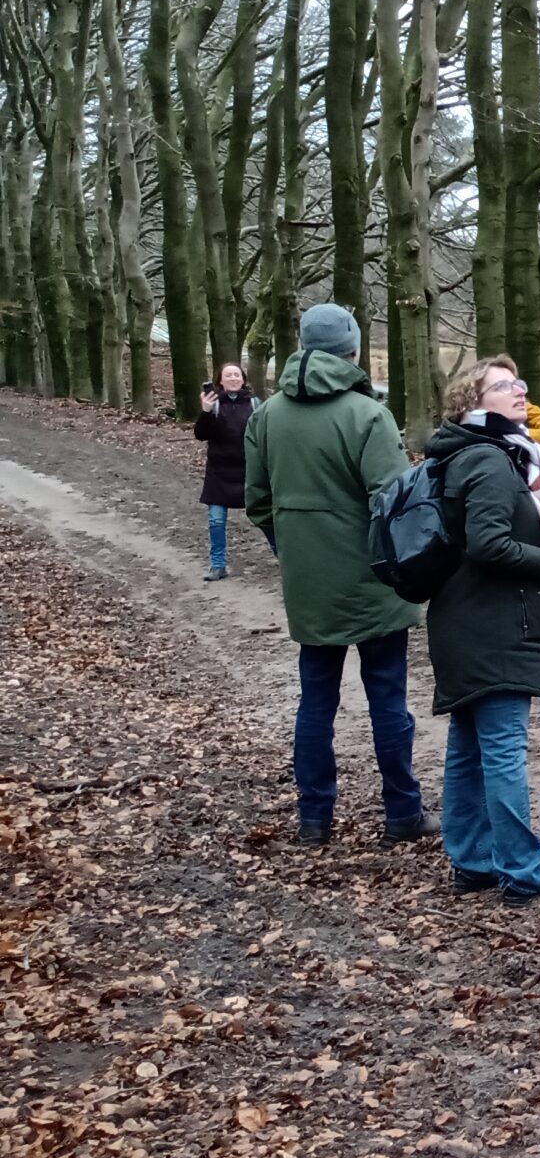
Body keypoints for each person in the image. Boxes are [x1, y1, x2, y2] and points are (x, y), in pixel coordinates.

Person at [242, 303, 425, 848]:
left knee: (315, 702)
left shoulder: (267, 414)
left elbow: (257, 502)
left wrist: (293, 552)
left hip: (309, 583)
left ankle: (314, 820)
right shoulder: (368, 415)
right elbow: (393, 504)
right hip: (374, 585)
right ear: (353, 351)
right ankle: (401, 815)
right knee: (388, 699)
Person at [422, 359, 540, 904]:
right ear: (473, 400)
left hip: (463, 620)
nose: (519, 391)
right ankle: (520, 870)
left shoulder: (469, 454)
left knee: (468, 750)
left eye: (520, 382)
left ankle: (471, 860)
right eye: (503, 386)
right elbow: (489, 545)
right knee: (501, 752)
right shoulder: (491, 463)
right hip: (493, 626)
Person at [194, 363, 256, 582]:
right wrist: (205, 412)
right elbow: (201, 435)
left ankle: (284, 559)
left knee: (267, 519)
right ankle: (218, 565)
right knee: (216, 522)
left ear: (243, 379)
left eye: (236, 375)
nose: (232, 378)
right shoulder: (214, 404)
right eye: (228, 375)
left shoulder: (256, 404)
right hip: (219, 473)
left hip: (250, 472)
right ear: (220, 380)